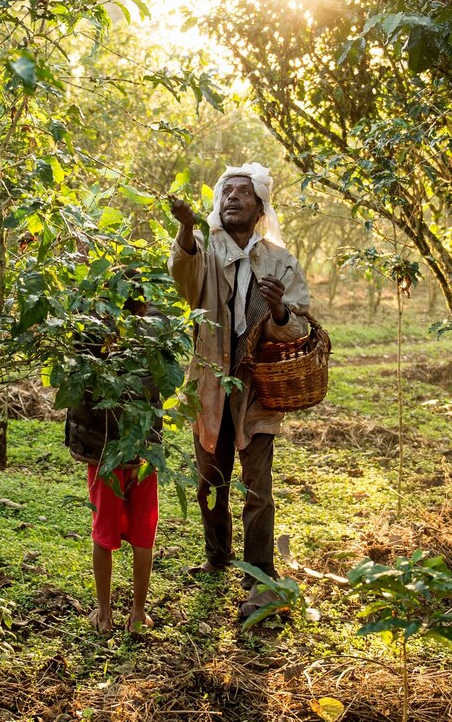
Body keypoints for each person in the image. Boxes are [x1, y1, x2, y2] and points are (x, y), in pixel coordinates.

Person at [168, 162, 311, 619]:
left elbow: (302, 326)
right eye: (226, 192)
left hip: (257, 388)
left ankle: (260, 579)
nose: (232, 198)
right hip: (209, 381)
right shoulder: (205, 248)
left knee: (257, 486)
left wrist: (280, 314)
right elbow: (185, 284)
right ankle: (217, 557)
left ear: (260, 205)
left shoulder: (279, 260)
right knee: (210, 478)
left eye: (242, 193)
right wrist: (186, 231)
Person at [64, 293, 163, 634]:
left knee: (104, 532)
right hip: (141, 453)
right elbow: (155, 389)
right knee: (142, 533)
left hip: (102, 450)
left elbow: (81, 394)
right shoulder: (156, 328)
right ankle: (137, 613)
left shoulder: (88, 326)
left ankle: (104, 614)